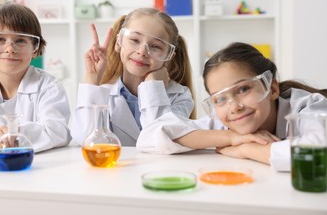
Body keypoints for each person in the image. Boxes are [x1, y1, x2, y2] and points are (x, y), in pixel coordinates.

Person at [136, 42, 327, 171]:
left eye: (243, 89)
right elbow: (149, 136)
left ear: (273, 88)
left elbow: (320, 153)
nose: (234, 107)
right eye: (219, 99)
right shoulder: (225, 125)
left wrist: (247, 150)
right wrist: (232, 137)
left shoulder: (307, 106)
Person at [0, 2, 71, 156]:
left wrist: (10, 137)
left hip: (35, 171)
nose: (10, 48)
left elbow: (57, 130)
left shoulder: (48, 87)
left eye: (20, 40)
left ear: (35, 48)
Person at [71, 8, 195, 146]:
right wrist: (92, 78)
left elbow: (161, 140)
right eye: (135, 40)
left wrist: (152, 85)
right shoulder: (103, 93)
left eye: (156, 46)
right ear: (119, 42)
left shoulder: (180, 96)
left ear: (169, 56)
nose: (142, 52)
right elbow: (85, 140)